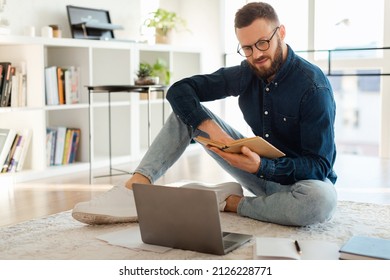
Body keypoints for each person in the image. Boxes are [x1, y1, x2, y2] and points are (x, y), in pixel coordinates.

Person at [72, 2, 337, 227]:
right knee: (185, 114)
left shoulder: (313, 87)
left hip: (300, 185)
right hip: (258, 174)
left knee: (321, 202)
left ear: (281, 33)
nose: (256, 55)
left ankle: (230, 203)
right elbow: (180, 90)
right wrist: (207, 124)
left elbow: (319, 166)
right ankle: (135, 189)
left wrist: (261, 166)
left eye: (262, 43)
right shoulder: (248, 71)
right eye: (246, 48)